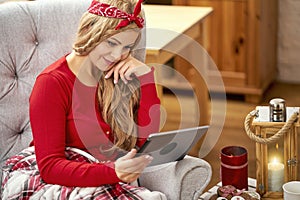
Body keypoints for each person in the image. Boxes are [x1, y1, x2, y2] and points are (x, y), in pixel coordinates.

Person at [1, 0, 165, 199]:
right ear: (89, 30)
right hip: (62, 175)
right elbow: (50, 167)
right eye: (112, 43)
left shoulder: (120, 73)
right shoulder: (52, 84)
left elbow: (145, 141)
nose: (117, 55)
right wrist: (113, 171)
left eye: (127, 47)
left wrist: (146, 77)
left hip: (103, 171)